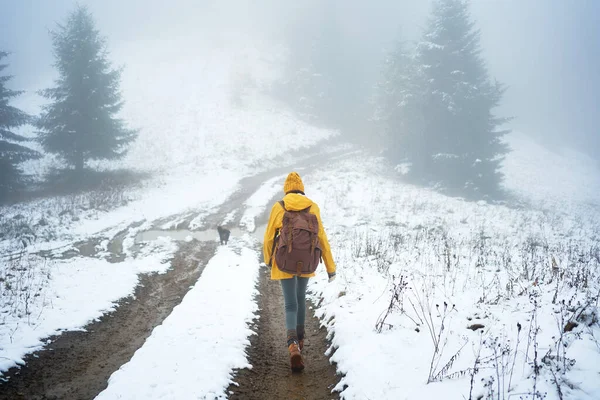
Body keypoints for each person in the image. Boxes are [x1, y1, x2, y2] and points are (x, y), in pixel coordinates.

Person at [263, 172, 336, 372]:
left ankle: (292, 344)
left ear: (286, 189)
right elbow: (322, 238)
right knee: (301, 298)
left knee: (290, 304)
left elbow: (269, 238)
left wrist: (269, 260)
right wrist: (331, 267)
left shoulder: (279, 207)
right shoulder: (313, 207)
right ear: (302, 188)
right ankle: (301, 341)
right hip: (306, 260)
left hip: (284, 261)